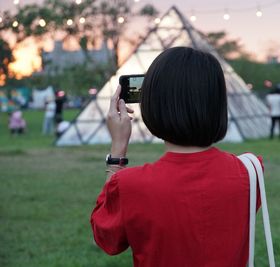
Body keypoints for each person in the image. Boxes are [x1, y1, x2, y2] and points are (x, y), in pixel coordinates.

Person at [90, 47, 263, 267]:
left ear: (154, 104)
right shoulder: (250, 171)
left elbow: (107, 239)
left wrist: (118, 150)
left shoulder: (130, 185)